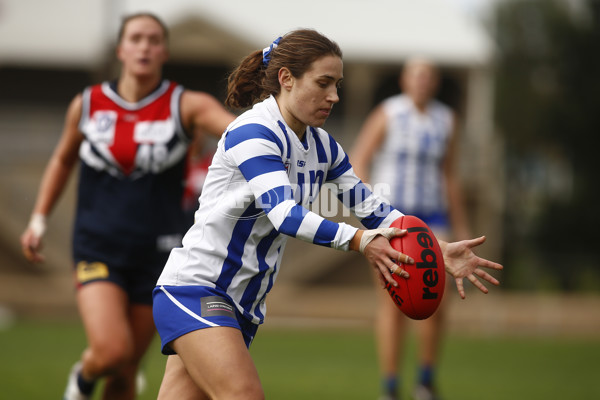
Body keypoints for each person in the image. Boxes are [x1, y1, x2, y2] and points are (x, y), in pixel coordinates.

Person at [151, 29, 502, 400]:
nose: (333, 96)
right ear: (286, 78)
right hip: (197, 289)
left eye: (337, 84)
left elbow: (371, 208)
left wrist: (432, 247)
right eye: (323, 83)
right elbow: (284, 213)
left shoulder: (322, 145)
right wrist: (359, 241)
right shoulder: (253, 132)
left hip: (243, 305)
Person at [19, 12, 235, 400]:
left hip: (160, 255)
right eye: (136, 38)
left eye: (154, 40)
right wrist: (38, 220)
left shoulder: (184, 104)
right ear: (121, 48)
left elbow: (237, 134)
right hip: (98, 246)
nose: (145, 47)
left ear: (164, 51)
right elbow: (62, 160)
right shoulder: (88, 104)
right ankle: (83, 377)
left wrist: (280, 137)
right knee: (111, 351)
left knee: (126, 371)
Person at [350, 58, 472, 400]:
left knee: (435, 300)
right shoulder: (387, 114)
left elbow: (450, 175)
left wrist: (461, 223)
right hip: (395, 220)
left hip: (433, 219)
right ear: (405, 79)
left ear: (434, 82)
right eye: (416, 74)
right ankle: (389, 386)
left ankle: (426, 382)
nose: (422, 81)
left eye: (428, 75)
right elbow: (358, 161)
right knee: (393, 301)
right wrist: (370, 208)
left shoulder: (446, 120)